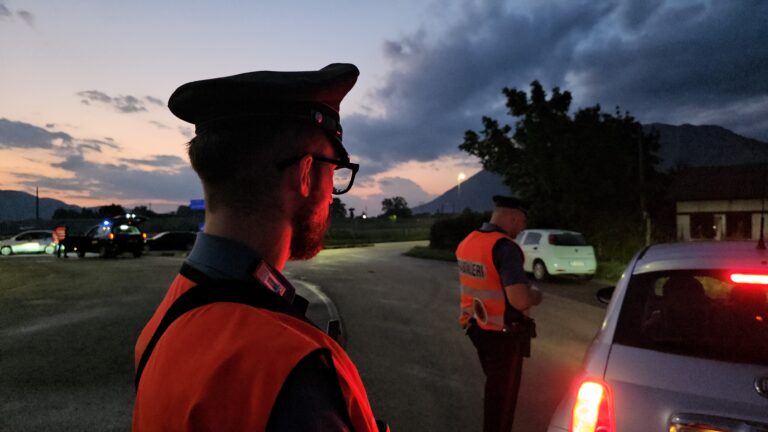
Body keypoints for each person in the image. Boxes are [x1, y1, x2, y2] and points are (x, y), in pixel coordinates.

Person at [133, 64, 388, 431]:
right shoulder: (291, 370)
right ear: (304, 174)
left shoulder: (165, 319)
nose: (331, 198)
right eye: (333, 173)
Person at [456, 195, 543, 432]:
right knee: (501, 403)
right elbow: (520, 299)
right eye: (522, 221)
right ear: (513, 217)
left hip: (477, 328)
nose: (523, 227)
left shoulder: (468, 242)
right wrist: (535, 294)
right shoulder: (505, 248)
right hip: (503, 336)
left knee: (494, 390)